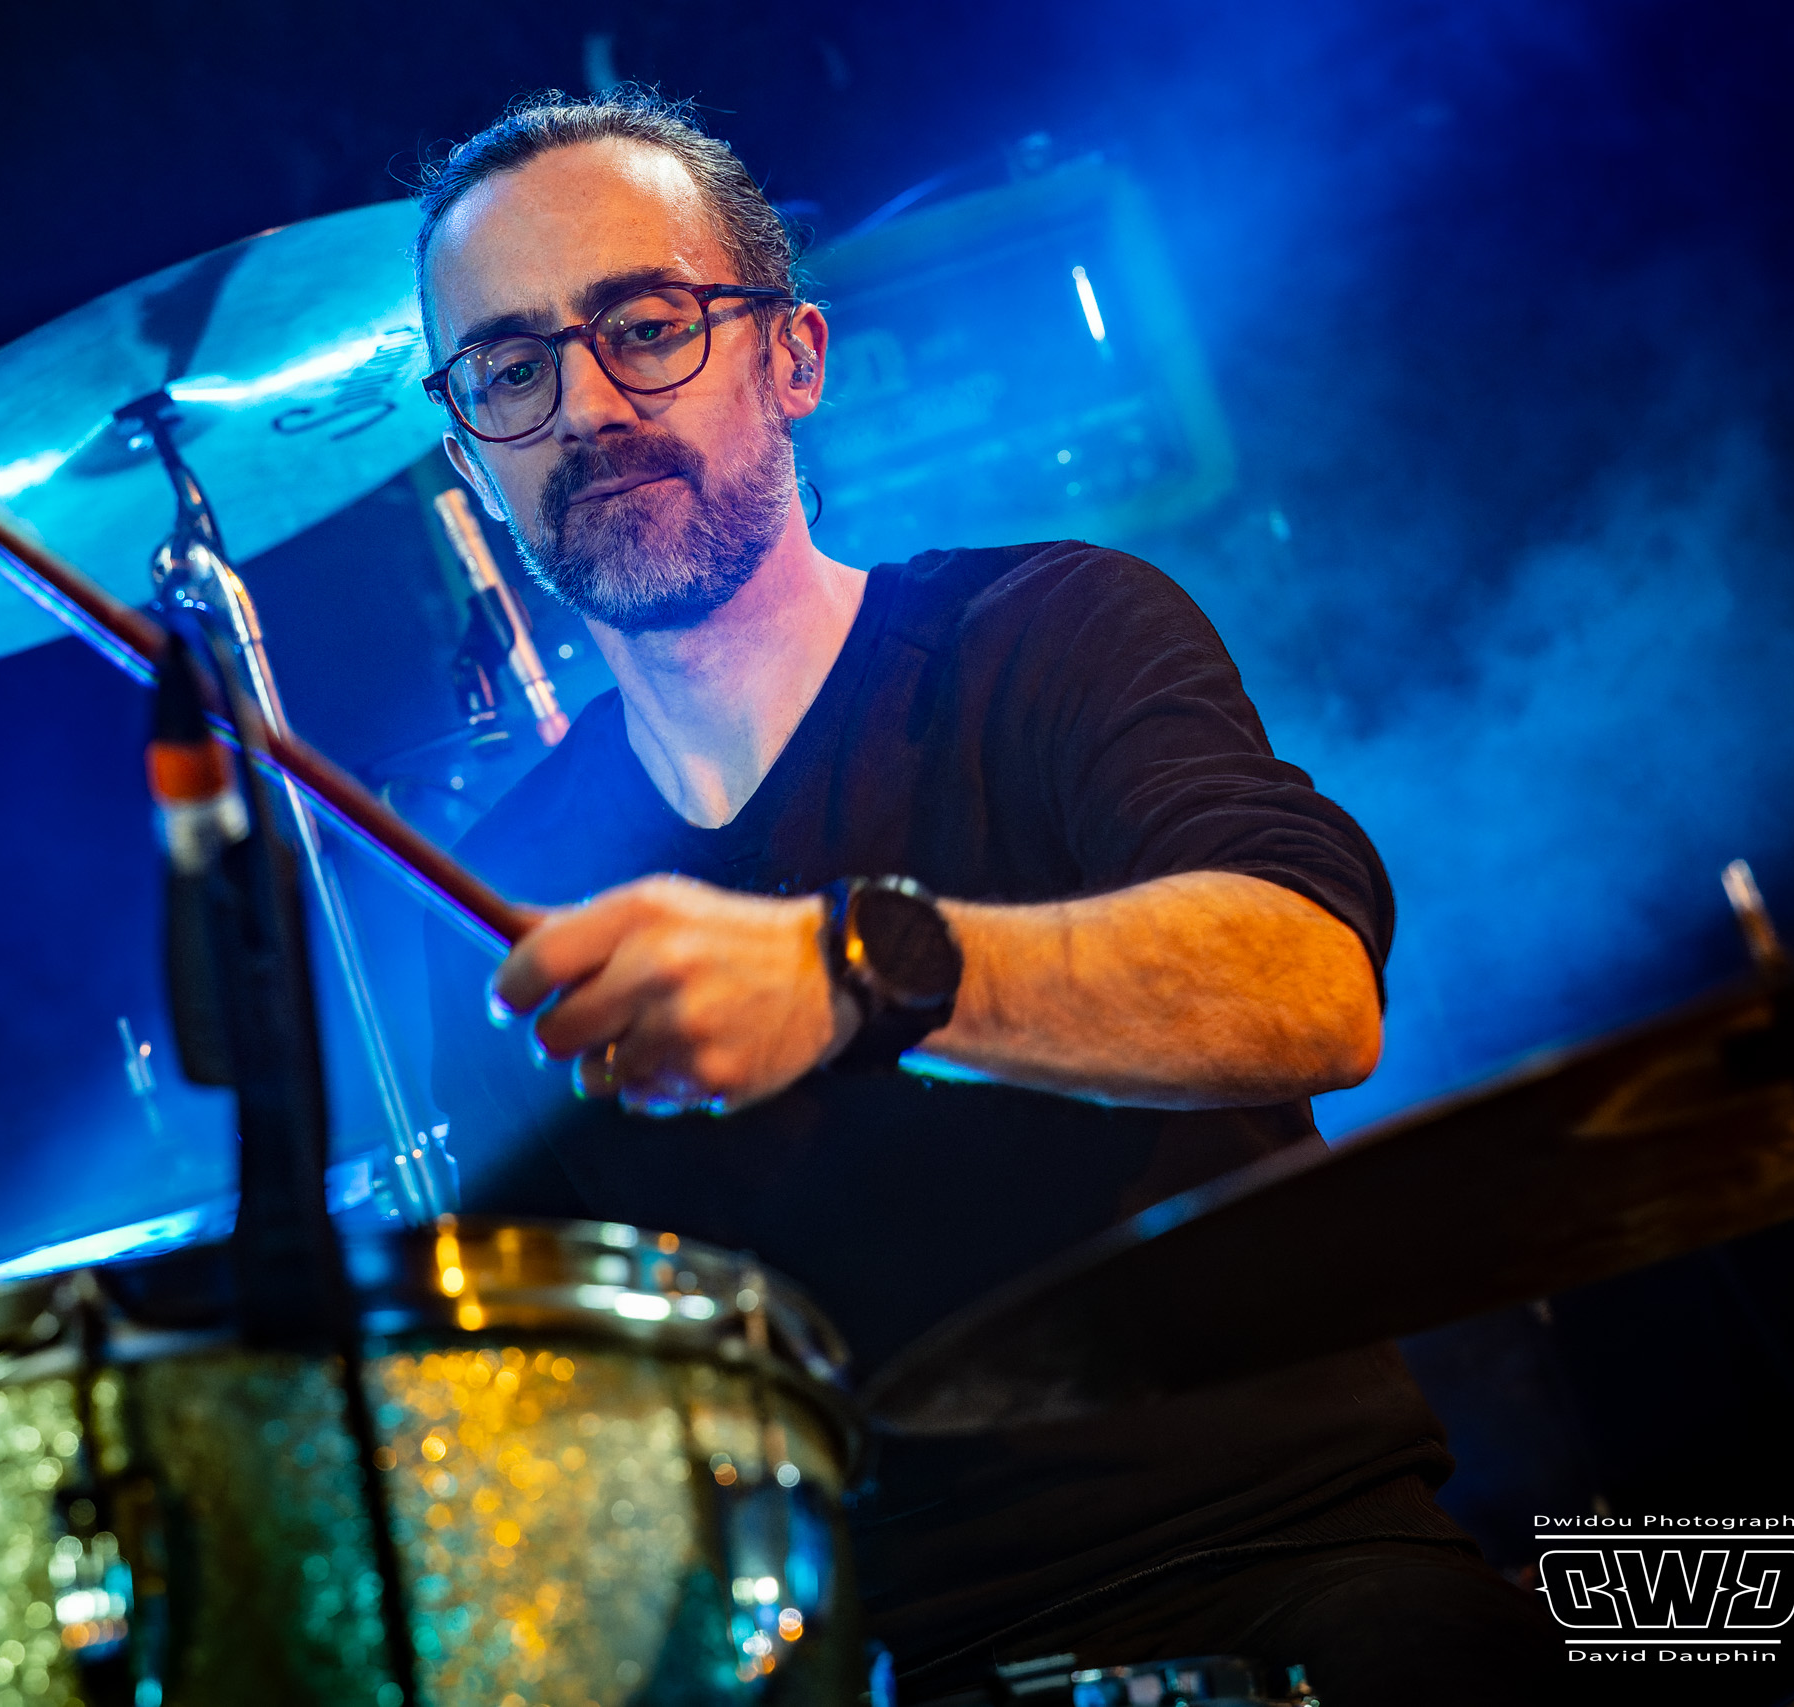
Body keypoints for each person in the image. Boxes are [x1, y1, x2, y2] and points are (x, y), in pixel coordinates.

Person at [411, 90, 1553, 1704]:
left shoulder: (1055, 633)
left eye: (647, 328)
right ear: (470, 455)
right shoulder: (494, 894)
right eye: (512, 370)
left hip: (1285, 1575)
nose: (586, 405)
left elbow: (1310, 986)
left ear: (794, 356)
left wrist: (855, 969)